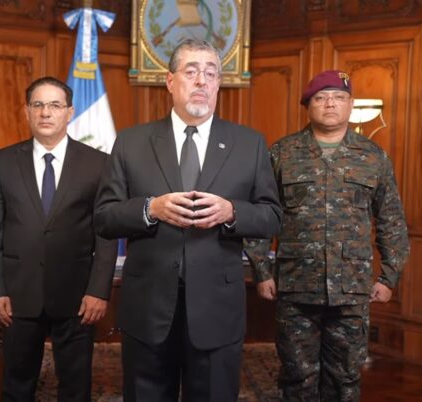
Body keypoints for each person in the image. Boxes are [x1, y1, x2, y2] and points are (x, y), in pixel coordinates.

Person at [94, 39, 282, 402]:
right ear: (170, 81)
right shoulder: (132, 142)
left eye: (211, 74)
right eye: (191, 71)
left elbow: (272, 217)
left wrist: (232, 212)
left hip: (217, 309)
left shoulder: (250, 143)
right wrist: (150, 209)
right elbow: (104, 218)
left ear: (218, 84)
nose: (201, 81)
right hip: (148, 307)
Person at [244, 70, 410, 402]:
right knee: (296, 376)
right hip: (296, 286)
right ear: (308, 106)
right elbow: (261, 215)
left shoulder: (373, 156)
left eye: (338, 97)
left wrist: (389, 277)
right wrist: (262, 271)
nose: (330, 104)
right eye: (321, 98)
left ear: (350, 104)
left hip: (352, 289)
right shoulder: (282, 153)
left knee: (345, 378)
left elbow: (391, 220)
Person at [0, 76, 118, 402]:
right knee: (16, 387)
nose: (45, 112)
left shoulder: (98, 163)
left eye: (55, 105)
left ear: (69, 112)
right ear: (26, 111)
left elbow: (106, 233)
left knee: (75, 388)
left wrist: (98, 291)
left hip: (77, 297)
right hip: (17, 296)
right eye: (38, 104)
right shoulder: (2, 162)